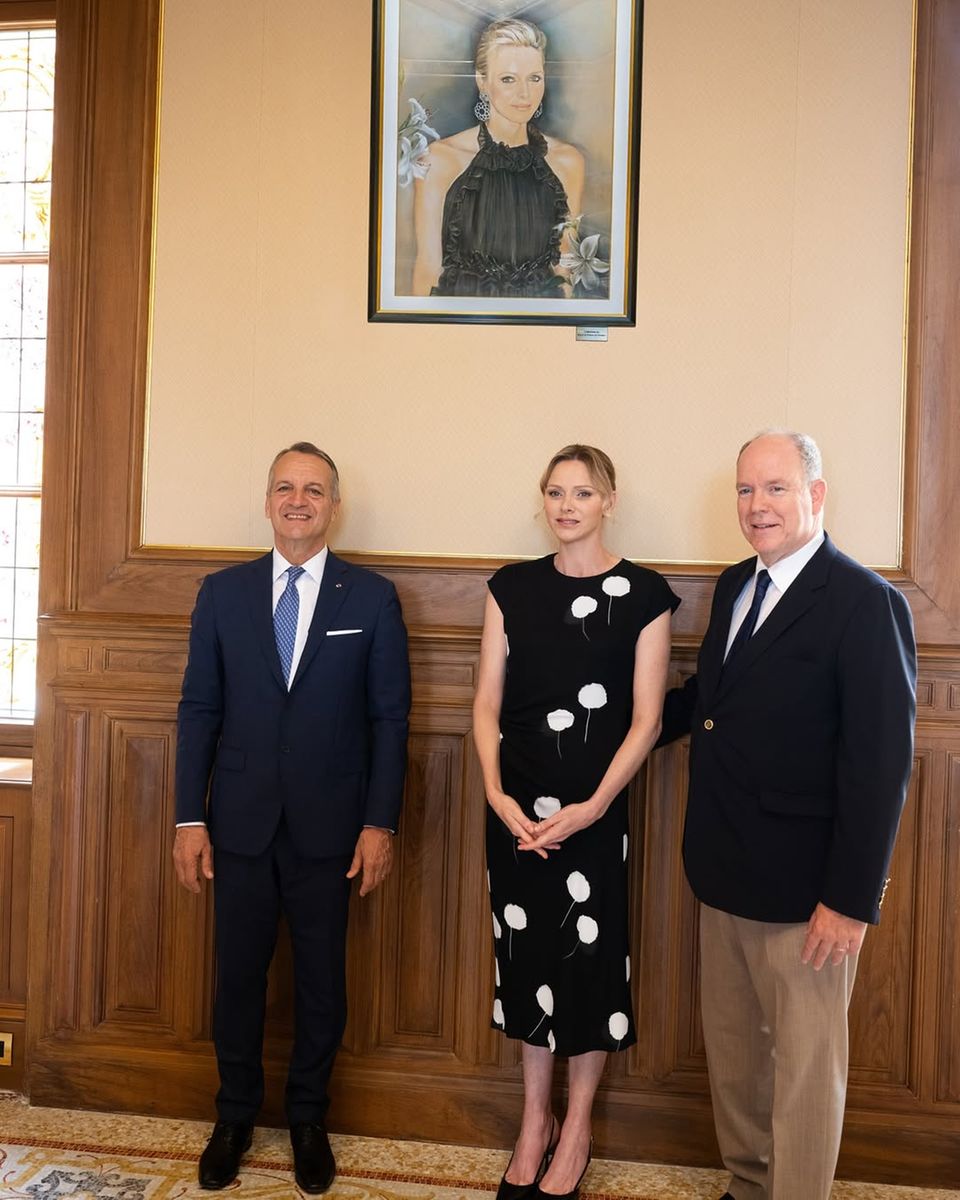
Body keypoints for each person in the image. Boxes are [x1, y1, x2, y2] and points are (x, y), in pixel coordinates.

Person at [658, 431, 916, 1200]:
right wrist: (614, 727)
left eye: (775, 488)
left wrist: (850, 900)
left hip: (810, 897)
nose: (757, 506)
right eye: (745, 490)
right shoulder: (735, 584)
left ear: (816, 494)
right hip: (721, 870)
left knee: (805, 1070)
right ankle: (747, 1186)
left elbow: (880, 767)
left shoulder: (866, 603)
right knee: (736, 1058)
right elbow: (709, 703)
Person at [173, 442, 410, 1193]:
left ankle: (309, 1119)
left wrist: (380, 824)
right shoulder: (222, 593)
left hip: (331, 829)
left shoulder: (370, 598)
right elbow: (199, 709)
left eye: (313, 489)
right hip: (238, 824)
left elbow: (389, 719)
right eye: (285, 487)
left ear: (335, 505)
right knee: (237, 980)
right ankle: (234, 1117)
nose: (297, 500)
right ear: (267, 500)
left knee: (321, 984)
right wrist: (187, 819)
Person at [473, 445, 679, 1200]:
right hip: (515, 813)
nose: (567, 506)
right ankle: (535, 1122)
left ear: (609, 501)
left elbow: (647, 720)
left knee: (588, 967)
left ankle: (579, 1127)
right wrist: (496, 794)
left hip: (595, 815)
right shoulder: (511, 588)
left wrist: (593, 808)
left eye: (583, 493)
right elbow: (486, 704)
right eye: (556, 492)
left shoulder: (645, 594)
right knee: (527, 961)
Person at [412, 18, 584, 298]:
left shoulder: (568, 162)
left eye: (534, 78)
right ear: (482, 81)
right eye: (508, 79)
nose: (524, 93)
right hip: (461, 316)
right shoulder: (440, 160)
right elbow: (428, 269)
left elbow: (565, 268)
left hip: (540, 316)